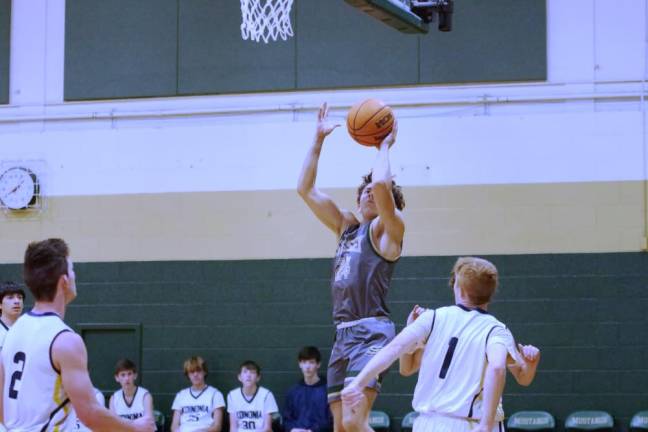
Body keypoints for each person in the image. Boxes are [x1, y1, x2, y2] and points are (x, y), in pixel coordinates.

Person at [297, 102, 405, 432]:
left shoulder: (390, 230)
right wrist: (317, 140)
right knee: (342, 426)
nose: (371, 191)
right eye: (365, 190)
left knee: (356, 421)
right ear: (357, 199)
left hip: (372, 331)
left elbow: (384, 186)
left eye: (376, 189)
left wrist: (384, 146)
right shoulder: (346, 228)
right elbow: (304, 189)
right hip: (342, 335)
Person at [341, 257, 541, 432]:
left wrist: (358, 383)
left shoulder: (432, 317)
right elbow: (500, 369)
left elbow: (393, 348)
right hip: (473, 423)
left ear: (459, 289)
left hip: (428, 423)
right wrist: (487, 425)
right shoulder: (496, 330)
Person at [0, 238, 154, 432]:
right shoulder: (64, 340)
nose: (74, 275)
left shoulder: (13, 331)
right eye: (72, 270)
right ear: (64, 281)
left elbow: (3, 410)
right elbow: (90, 413)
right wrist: (136, 427)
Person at [283, 347, 332, 432]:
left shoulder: (328, 391)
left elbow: (332, 420)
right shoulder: (292, 392)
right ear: (300, 364)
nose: (307, 366)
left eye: (311, 362)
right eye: (304, 362)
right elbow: (286, 420)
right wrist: (293, 429)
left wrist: (313, 430)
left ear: (318, 364)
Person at [171, 356, 225, 432]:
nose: (195, 374)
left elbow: (217, 427)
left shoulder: (215, 394)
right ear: (187, 374)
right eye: (192, 372)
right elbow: (174, 426)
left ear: (204, 372)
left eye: (198, 371)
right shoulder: (180, 395)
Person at [227, 361, 278, 432]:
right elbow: (233, 428)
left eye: (252, 372)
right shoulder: (232, 395)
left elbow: (267, 428)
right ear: (239, 377)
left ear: (258, 378)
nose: (248, 375)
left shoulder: (267, 395)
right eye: (245, 372)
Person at [0, 281, 25, 350]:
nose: (17, 301)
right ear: (0, 304)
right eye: (10, 298)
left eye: (20, 297)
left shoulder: (31, 327)